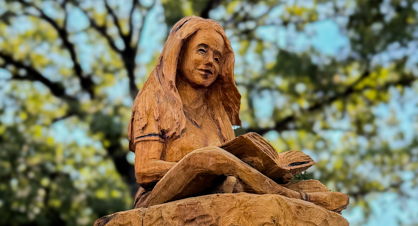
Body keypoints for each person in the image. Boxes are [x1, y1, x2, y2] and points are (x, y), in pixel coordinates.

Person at [128, 16, 346, 211]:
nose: (209, 62)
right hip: (158, 199)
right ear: (180, 52)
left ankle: (298, 192)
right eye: (202, 50)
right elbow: (144, 171)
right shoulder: (154, 100)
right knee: (206, 158)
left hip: (215, 190)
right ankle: (293, 197)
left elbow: (231, 163)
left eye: (217, 58)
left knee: (311, 185)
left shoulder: (217, 113)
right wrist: (203, 167)